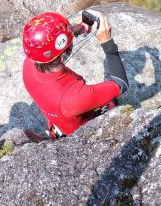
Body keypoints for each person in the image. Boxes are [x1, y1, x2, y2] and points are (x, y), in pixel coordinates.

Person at [22, 9, 129, 138]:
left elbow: (44, 46)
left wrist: (74, 30)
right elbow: (121, 84)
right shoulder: (73, 98)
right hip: (80, 130)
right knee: (113, 102)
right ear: (62, 57)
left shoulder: (29, 63)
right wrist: (107, 43)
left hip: (58, 125)